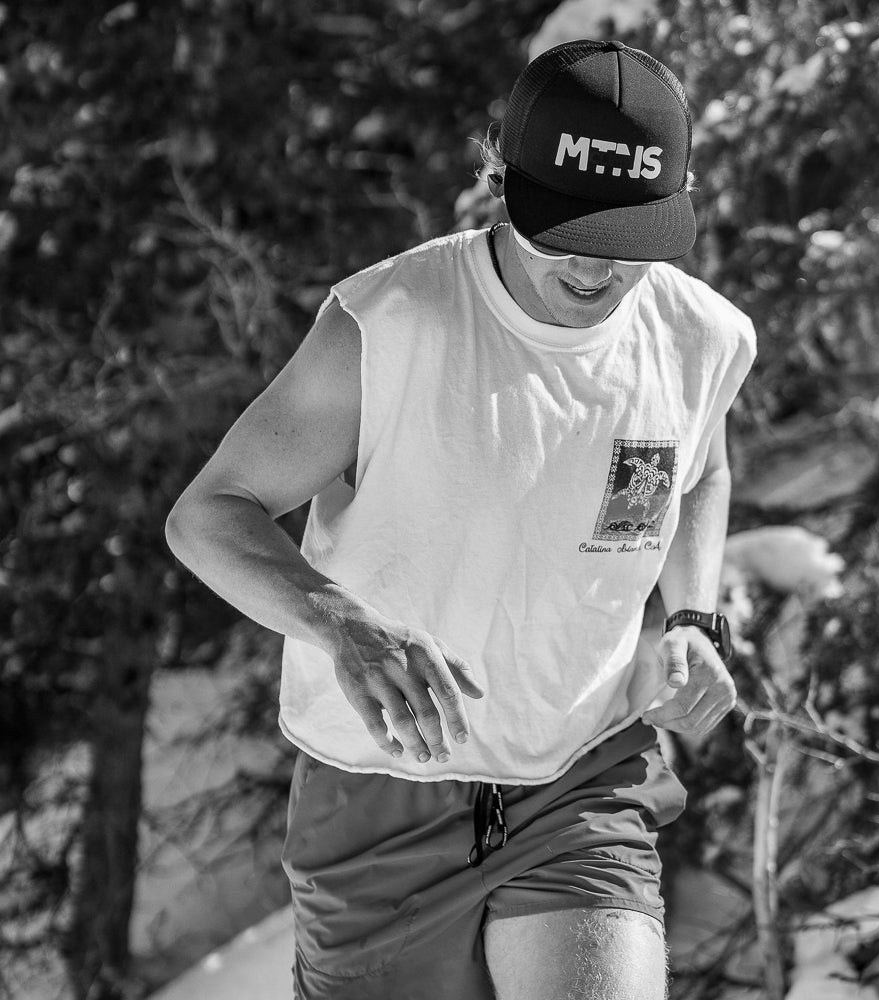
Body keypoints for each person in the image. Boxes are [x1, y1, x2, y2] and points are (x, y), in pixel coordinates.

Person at [165, 38, 755, 1000]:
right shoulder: (394, 323)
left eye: (625, 238)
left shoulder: (701, 337)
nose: (594, 268)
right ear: (500, 183)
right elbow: (207, 515)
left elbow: (698, 472)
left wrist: (692, 616)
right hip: (378, 792)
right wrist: (341, 624)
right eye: (564, 232)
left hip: (582, 773)